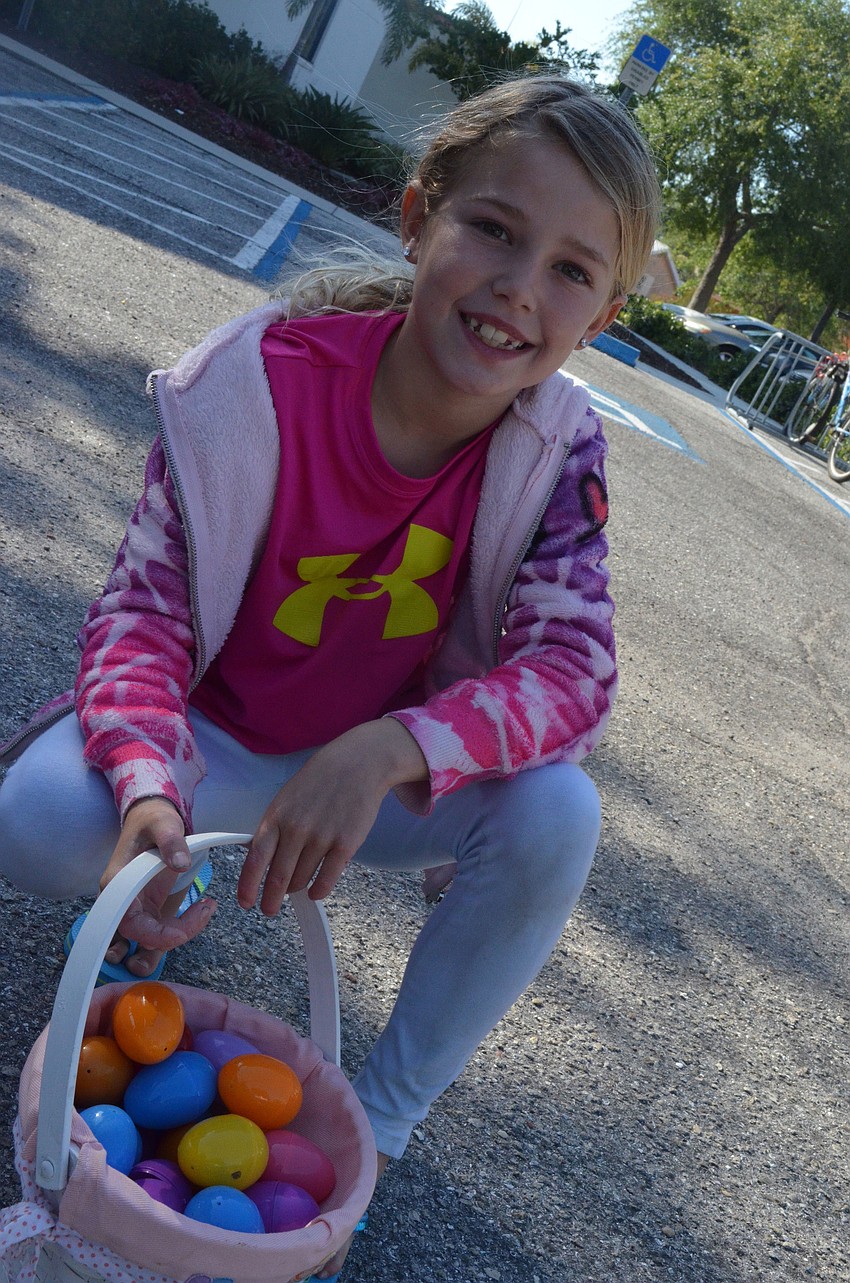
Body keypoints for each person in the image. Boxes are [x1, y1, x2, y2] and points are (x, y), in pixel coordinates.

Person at [0, 74, 660, 1279]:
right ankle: (148, 912)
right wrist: (151, 783)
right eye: (492, 230)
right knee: (40, 814)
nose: (519, 288)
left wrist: (393, 746)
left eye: (571, 269)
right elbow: (141, 614)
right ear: (417, 219)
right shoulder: (252, 388)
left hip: (376, 782)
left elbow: (577, 668)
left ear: (603, 316)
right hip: (218, 741)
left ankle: (382, 1117)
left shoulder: (558, 450)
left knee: (558, 808)